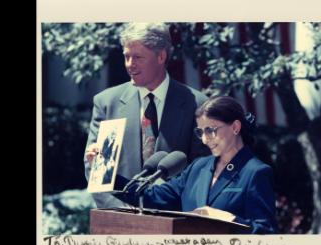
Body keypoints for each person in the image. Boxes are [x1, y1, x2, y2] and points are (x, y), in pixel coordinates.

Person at [85, 23, 210, 208]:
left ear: (161, 56)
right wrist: (124, 215)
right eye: (126, 57)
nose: (129, 65)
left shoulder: (197, 104)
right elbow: (96, 169)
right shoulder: (106, 102)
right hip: (120, 220)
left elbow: (202, 170)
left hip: (175, 222)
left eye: (137, 57)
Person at [115, 96, 277, 234]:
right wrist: (105, 174)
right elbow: (151, 196)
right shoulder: (198, 167)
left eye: (211, 130)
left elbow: (266, 233)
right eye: (201, 132)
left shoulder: (256, 172)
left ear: (235, 127)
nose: (205, 140)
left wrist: (228, 220)